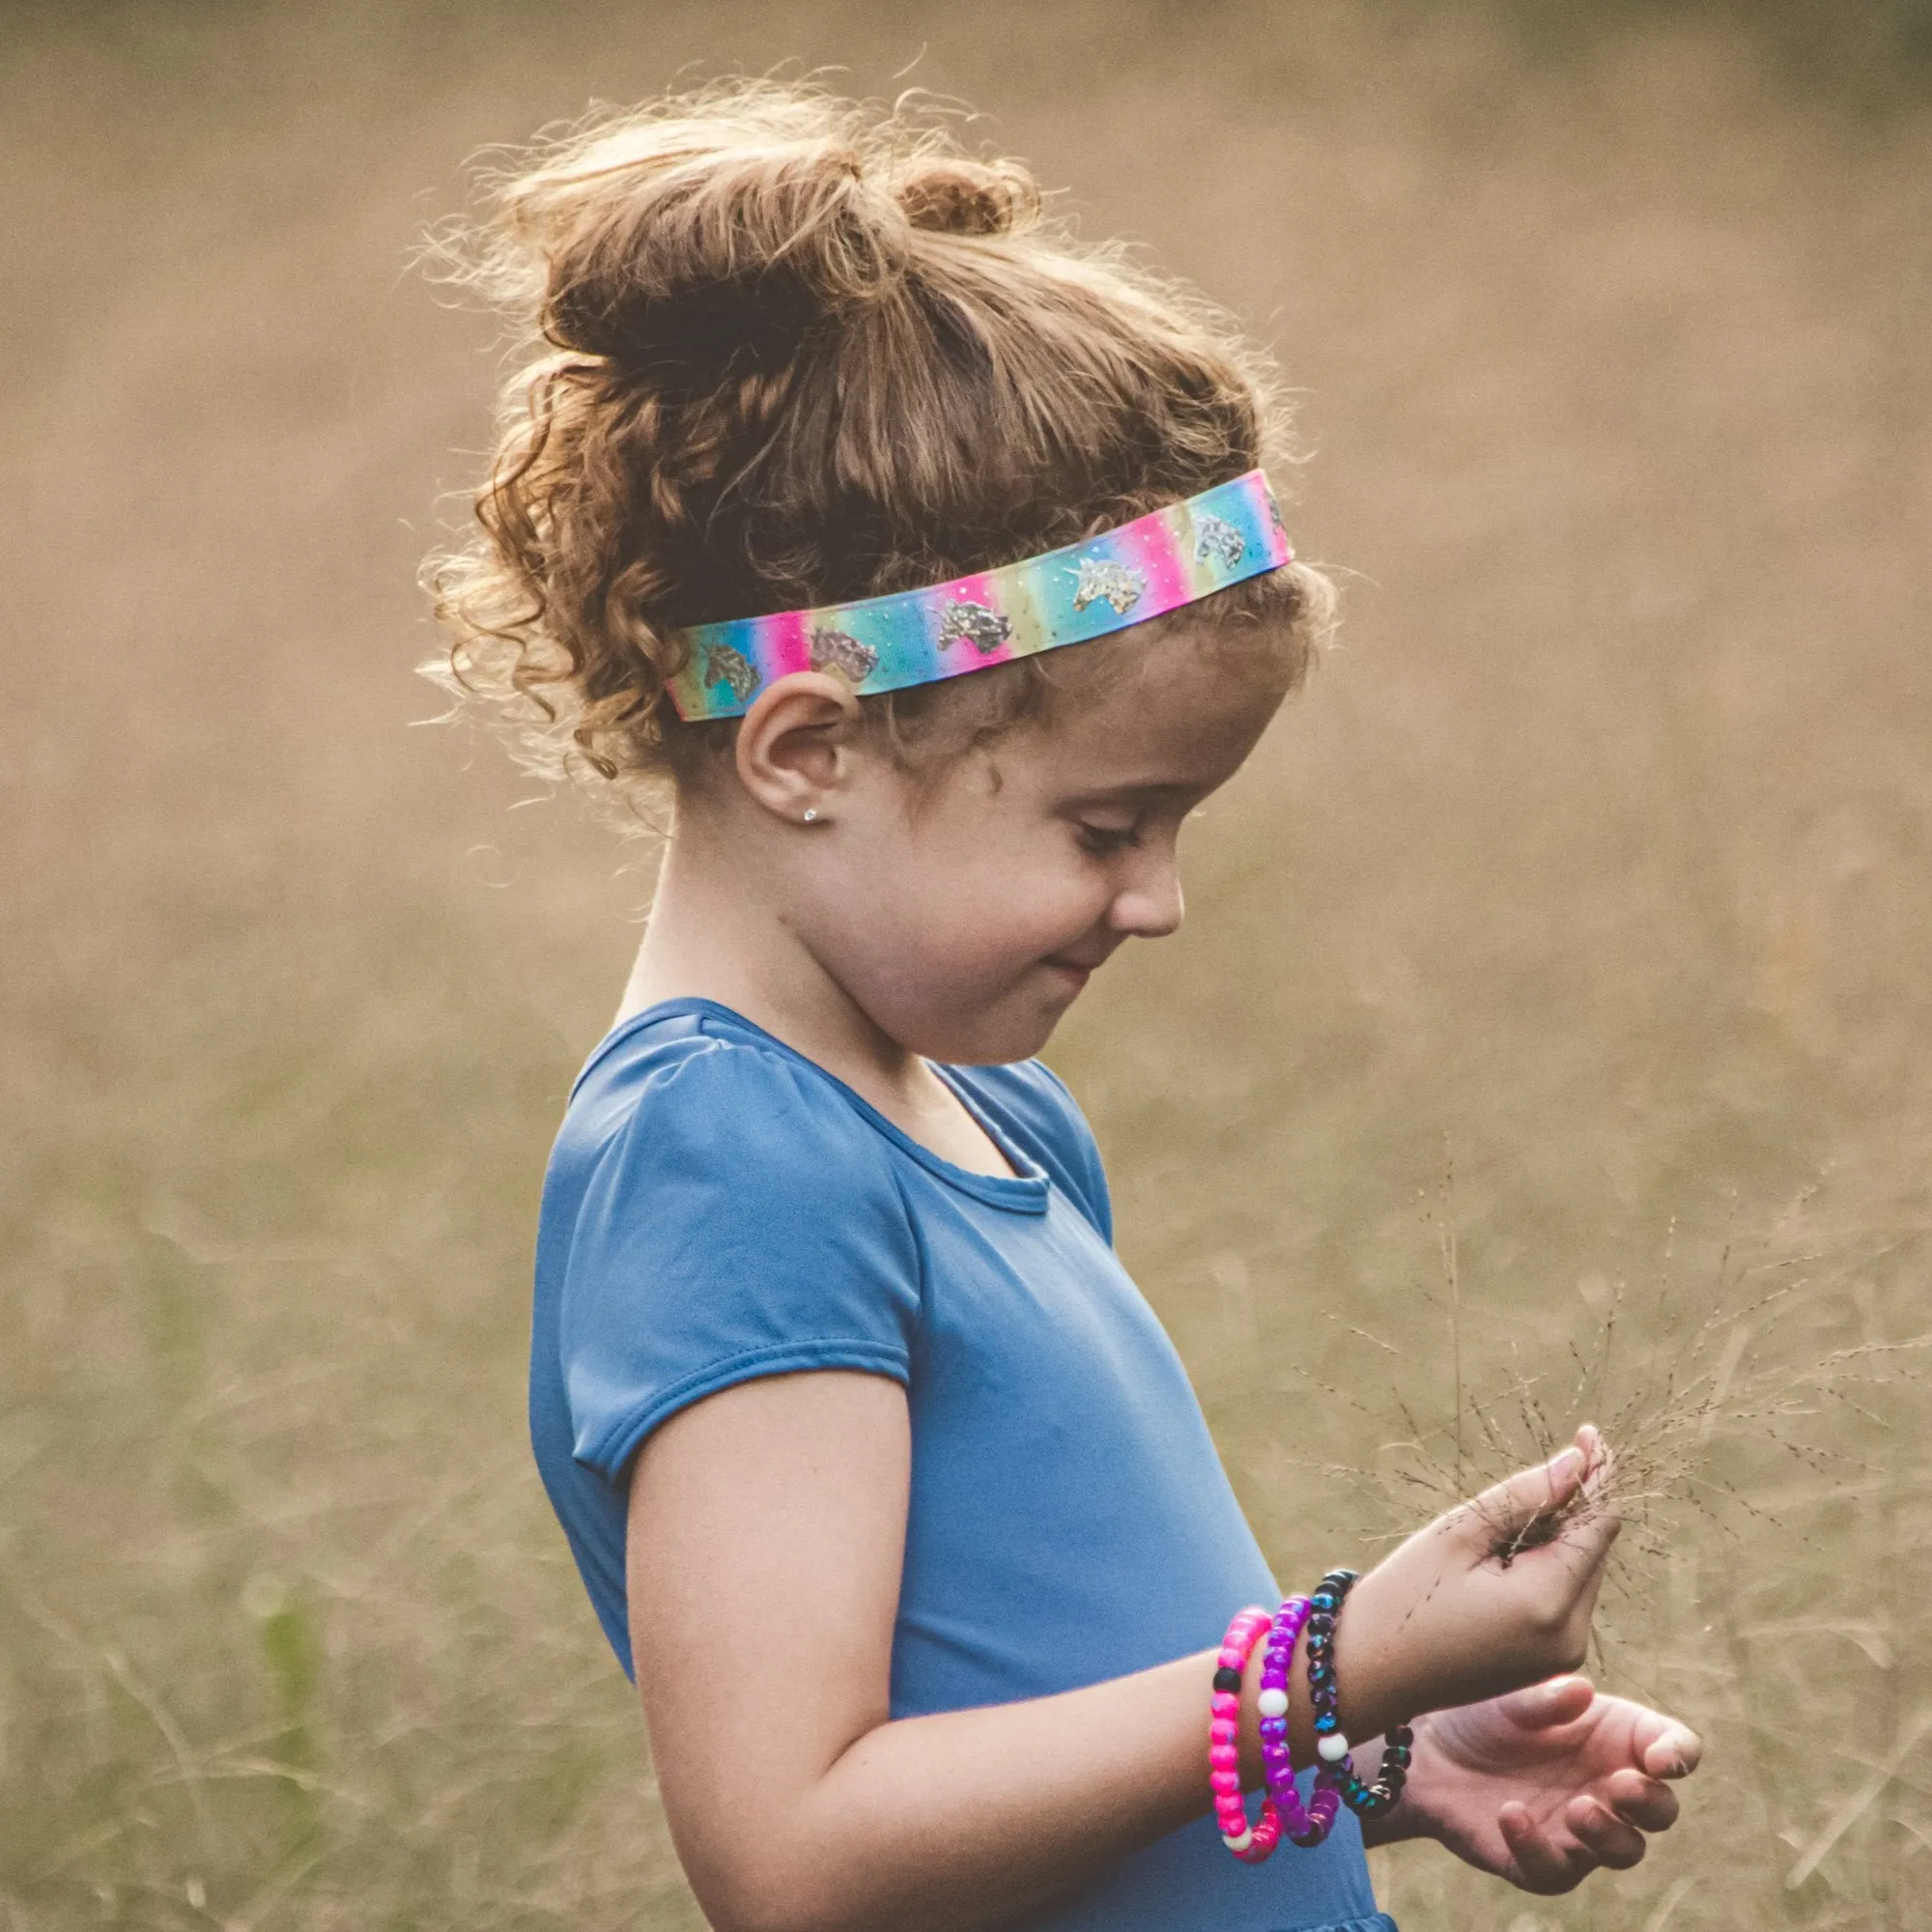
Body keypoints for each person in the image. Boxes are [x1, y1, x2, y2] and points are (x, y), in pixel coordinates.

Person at [427, 81, 1700, 1932]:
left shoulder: (990, 1116)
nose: (1159, 901)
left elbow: (1030, 1717)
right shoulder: (726, 1161)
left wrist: (1370, 1760)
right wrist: (1325, 1665)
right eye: (1111, 825)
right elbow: (798, 1853)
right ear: (808, 749)